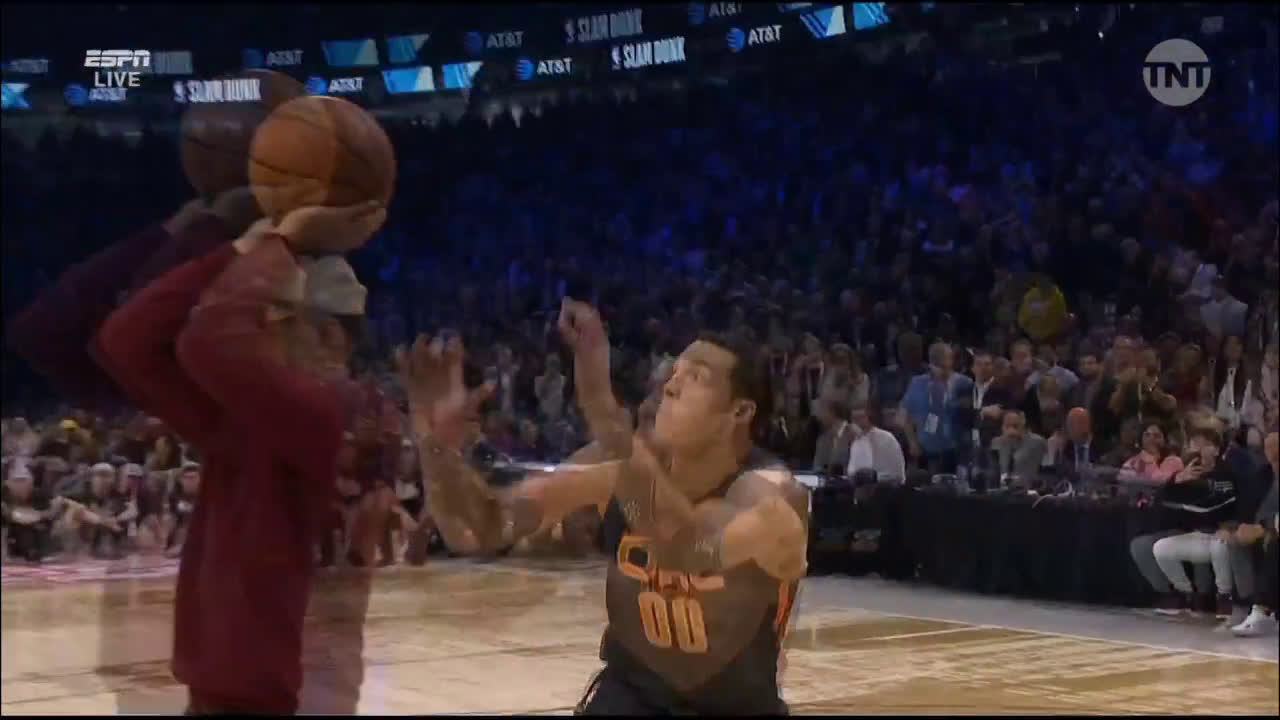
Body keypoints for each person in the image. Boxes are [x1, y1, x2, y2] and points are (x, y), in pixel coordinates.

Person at [409, 299, 809, 715]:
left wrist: (601, 406)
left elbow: (692, 549)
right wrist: (434, 443)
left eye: (696, 378)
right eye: (673, 373)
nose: (670, 386)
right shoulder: (616, 467)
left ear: (740, 411)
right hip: (632, 697)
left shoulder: (774, 496)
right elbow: (478, 529)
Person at [95, 198, 386, 715]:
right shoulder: (264, 417)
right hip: (234, 695)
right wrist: (240, 250)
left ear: (328, 337)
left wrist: (277, 244)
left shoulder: (337, 415)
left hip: (277, 701)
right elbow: (126, 340)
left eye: (270, 325)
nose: (258, 341)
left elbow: (209, 339)